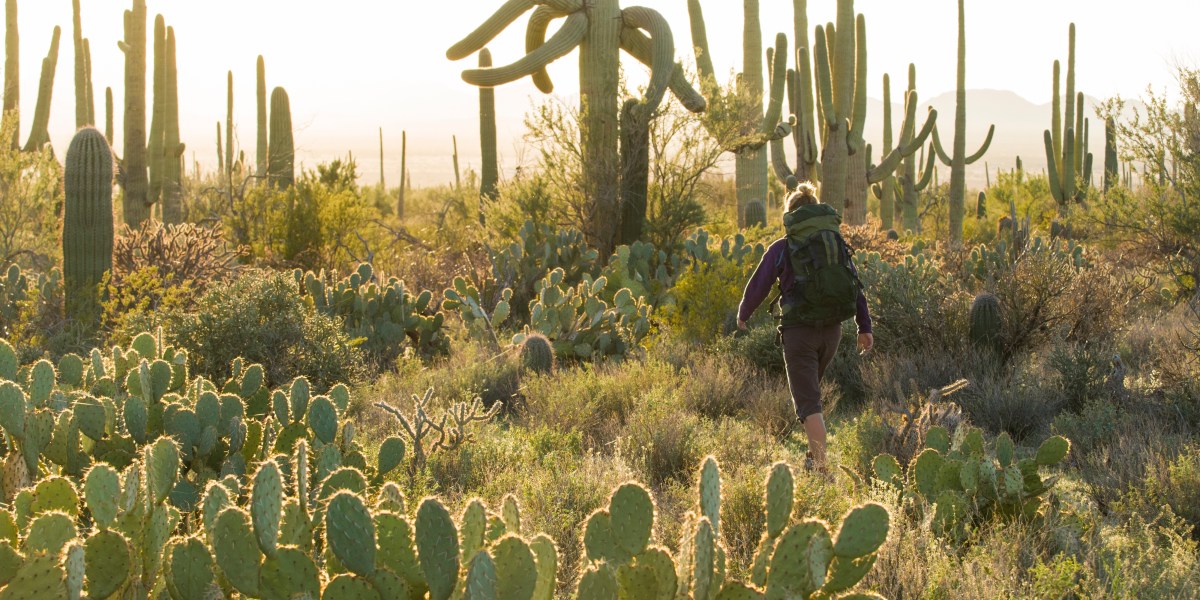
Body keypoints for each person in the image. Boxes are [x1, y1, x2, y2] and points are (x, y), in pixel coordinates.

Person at [736, 183, 873, 473]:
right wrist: (865, 326)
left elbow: (759, 283)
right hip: (833, 333)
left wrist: (743, 313)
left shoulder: (782, 248)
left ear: (791, 216)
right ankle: (813, 459)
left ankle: (822, 472)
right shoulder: (833, 244)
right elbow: (855, 285)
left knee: (810, 405)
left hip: (799, 335)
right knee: (810, 397)